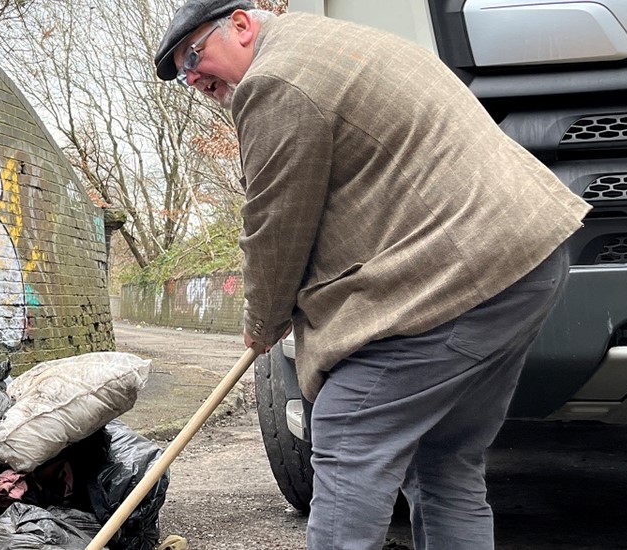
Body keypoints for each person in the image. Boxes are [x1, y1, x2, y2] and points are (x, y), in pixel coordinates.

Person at [152, 2, 591, 549]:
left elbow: (275, 223)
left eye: (193, 55)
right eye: (183, 72)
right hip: (523, 258)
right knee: (445, 461)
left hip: (460, 275)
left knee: (347, 433)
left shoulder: (275, 80)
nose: (192, 76)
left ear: (241, 25)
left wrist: (262, 320)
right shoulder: (329, 44)